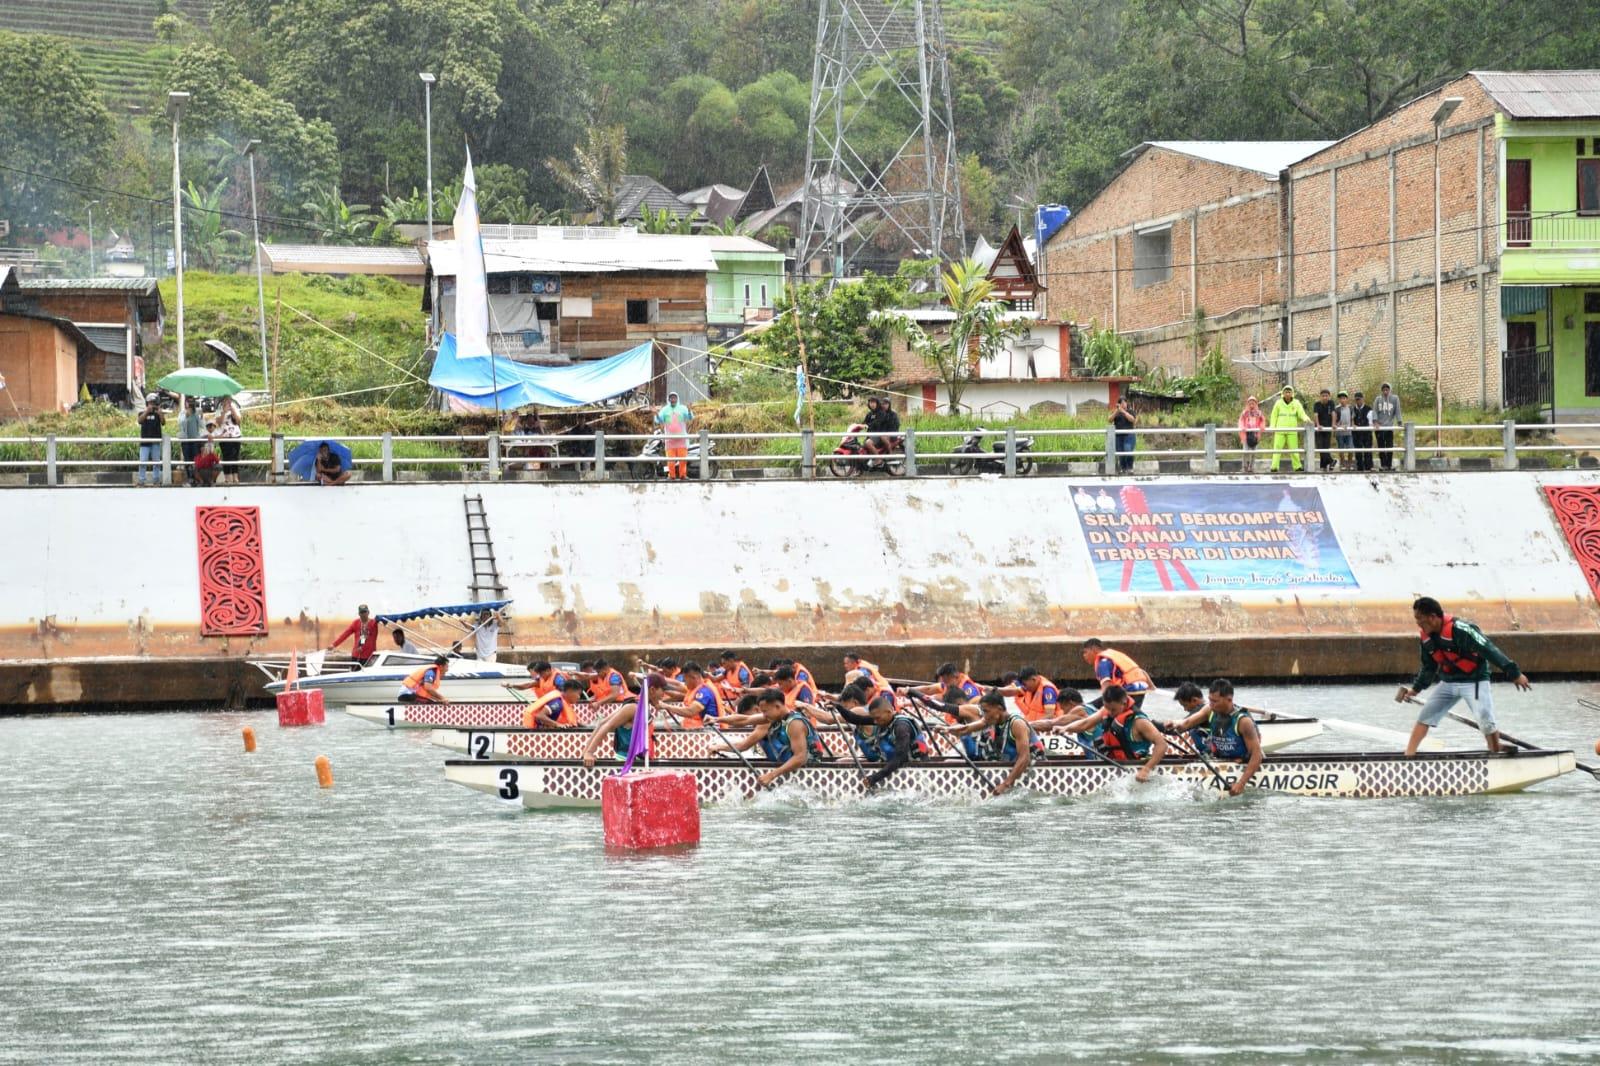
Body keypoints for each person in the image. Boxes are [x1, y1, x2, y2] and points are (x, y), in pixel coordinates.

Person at [1395, 596, 1531, 757]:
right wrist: (1415, 690)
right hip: (1448, 683)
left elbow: (1489, 649)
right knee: (1425, 716)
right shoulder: (1426, 638)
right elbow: (1428, 667)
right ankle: (1408, 755)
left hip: (1475, 681)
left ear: (1433, 617)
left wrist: (1514, 673)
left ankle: (1495, 750)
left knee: (1485, 718)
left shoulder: (1462, 629)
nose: (1418, 624)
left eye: (1420, 619)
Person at [1163, 679, 1262, 795]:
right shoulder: (1210, 710)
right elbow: (1186, 723)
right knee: (1195, 732)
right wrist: (1173, 724)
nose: (1210, 704)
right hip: (1220, 759)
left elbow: (1257, 755)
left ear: (1229, 699)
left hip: (1242, 762)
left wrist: (1241, 783)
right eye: (1210, 700)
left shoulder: (1244, 721)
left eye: (1215, 701)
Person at [721, 688, 829, 788]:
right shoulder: (774, 716)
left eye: (765, 711)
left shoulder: (795, 723)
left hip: (810, 772)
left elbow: (800, 758)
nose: (763, 715)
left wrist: (771, 775)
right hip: (790, 764)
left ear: (777, 706)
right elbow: (745, 720)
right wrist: (717, 719)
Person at [1061, 685, 1168, 782]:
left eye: (1113, 709)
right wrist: (1065, 728)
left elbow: (1162, 745)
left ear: (1124, 703)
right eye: (1107, 708)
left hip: (1134, 769)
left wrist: (1146, 769)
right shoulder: (1107, 710)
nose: (1110, 713)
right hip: (1113, 766)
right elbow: (1085, 723)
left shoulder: (1139, 721)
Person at [944, 691, 1042, 796]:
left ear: (999, 709)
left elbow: (1025, 758)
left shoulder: (1017, 724)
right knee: (949, 761)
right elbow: (966, 729)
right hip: (1007, 765)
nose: (984, 716)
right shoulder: (991, 720)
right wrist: (947, 729)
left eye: (986, 711)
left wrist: (1005, 784)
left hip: (1034, 772)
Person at [833, 692, 931, 788]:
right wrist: (838, 707)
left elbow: (900, 758)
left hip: (918, 773)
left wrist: (875, 778)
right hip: (898, 769)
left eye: (877, 718)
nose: (875, 722)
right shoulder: (882, 719)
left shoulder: (902, 727)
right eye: (873, 719)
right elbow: (855, 719)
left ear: (889, 712)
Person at [1081, 638, 1153, 708]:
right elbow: (1142, 671)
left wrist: (1105, 706)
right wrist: (1151, 687)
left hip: (1126, 693)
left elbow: (1106, 685)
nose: (1084, 656)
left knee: (1088, 708)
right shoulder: (1116, 655)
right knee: (1129, 715)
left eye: (1085, 652)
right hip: (1141, 691)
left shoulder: (1103, 663)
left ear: (1094, 649)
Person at [581, 700, 655, 768]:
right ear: (653, 690)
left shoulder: (634, 707)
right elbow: (603, 725)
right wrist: (589, 753)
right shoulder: (632, 708)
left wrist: (585, 753)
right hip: (627, 760)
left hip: (631, 758)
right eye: (663, 691)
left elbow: (601, 723)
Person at [654, 661, 724, 730]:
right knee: (660, 724)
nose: (684, 682)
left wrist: (666, 706)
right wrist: (658, 681)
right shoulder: (694, 688)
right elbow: (678, 684)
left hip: (708, 730)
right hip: (694, 727)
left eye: (685, 679)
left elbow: (690, 712)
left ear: (693, 677)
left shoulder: (704, 692)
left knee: (662, 727)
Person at [1266, 385, 1311, 472]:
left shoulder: (1296, 403)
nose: (1287, 394)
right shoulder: (1278, 403)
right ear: (1283, 393)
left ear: (1292, 393)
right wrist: (1272, 426)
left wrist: (1307, 419)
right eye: (1286, 392)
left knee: (1294, 449)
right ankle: (1274, 467)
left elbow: (1302, 414)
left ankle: (1297, 467)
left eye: (1289, 392)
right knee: (1277, 449)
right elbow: (1274, 416)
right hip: (1280, 430)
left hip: (1292, 430)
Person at [655, 390, 692, 480]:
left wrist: (690, 410)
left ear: (677, 398)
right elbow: (659, 420)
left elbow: (690, 418)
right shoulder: (665, 410)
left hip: (681, 439)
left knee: (682, 459)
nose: (673, 399)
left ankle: (683, 475)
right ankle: (671, 476)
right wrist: (656, 413)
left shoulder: (683, 408)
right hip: (669, 439)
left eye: (674, 397)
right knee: (670, 460)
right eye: (671, 397)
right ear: (669, 399)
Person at [1373, 382, 1402, 471]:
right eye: (1384, 390)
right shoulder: (1378, 399)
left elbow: (1397, 410)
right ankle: (1383, 464)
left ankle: (1389, 465)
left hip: (1389, 427)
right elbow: (1375, 411)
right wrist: (1375, 422)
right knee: (1381, 446)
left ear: (1390, 390)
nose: (1385, 392)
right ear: (1382, 391)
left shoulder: (1395, 399)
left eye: (1387, 390)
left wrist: (1399, 421)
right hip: (1380, 427)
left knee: (1389, 446)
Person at [137, 394, 163, 486]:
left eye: (153, 403)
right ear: (147, 403)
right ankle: (141, 481)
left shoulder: (158, 413)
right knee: (142, 462)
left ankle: (156, 480)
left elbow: (163, 423)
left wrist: (160, 413)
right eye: (150, 403)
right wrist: (147, 412)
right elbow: (139, 421)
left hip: (156, 441)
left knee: (156, 462)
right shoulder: (142, 412)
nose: (152, 405)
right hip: (145, 442)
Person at [1237, 396, 1265, 472]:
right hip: (1246, 435)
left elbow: (1262, 421)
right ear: (1247, 404)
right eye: (1250, 403)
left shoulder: (1259, 413)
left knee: (1254, 452)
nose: (1251, 405)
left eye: (1253, 403)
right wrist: (1242, 427)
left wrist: (1262, 427)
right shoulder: (1244, 413)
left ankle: (1251, 467)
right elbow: (1241, 421)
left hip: (1255, 435)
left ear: (1256, 404)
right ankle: (1244, 466)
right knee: (1245, 451)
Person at [178, 399, 203, 486]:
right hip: (185, 440)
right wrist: (186, 416)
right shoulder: (182, 413)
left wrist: (201, 416)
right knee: (187, 460)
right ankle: (190, 478)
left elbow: (202, 425)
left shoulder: (196, 414)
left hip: (195, 441)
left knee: (196, 460)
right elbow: (181, 424)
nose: (189, 405)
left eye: (192, 403)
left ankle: (196, 478)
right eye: (188, 402)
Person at [1311, 388, 1336, 472]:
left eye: (1326, 396)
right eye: (1323, 396)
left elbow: (1333, 413)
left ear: (1329, 396)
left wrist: (1333, 424)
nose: (1325, 397)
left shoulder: (1331, 403)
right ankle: (1332, 461)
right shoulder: (1316, 404)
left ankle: (1324, 466)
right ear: (1320, 397)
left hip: (1327, 428)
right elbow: (1315, 415)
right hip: (1319, 429)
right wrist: (1318, 425)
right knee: (1320, 447)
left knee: (1326, 447)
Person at [1110, 397, 1137, 473]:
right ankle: (1123, 468)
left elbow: (1132, 419)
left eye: (1124, 403)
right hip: (1119, 435)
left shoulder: (1130, 411)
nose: (1123, 404)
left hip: (1129, 435)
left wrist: (1124, 412)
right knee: (1120, 452)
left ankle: (1130, 467)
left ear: (1126, 403)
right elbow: (1109, 420)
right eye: (1121, 403)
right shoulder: (1116, 412)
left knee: (1128, 449)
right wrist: (1116, 411)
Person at [217, 409, 243, 484]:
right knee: (226, 457)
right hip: (224, 436)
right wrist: (224, 411)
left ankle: (235, 477)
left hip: (236, 435)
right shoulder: (219, 409)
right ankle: (228, 478)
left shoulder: (234, 409)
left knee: (235, 456)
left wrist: (232, 410)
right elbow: (219, 423)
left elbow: (238, 421)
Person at [1351, 391, 1374, 472]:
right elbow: (1352, 419)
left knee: (1368, 450)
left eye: (1359, 399)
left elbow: (1371, 422)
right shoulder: (1353, 409)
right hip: (1356, 434)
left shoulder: (1369, 409)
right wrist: (1353, 425)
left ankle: (1368, 467)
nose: (1358, 401)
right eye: (1356, 400)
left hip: (1366, 433)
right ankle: (1359, 467)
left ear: (1363, 399)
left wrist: (1368, 428)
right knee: (1358, 451)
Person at [1333, 390, 1354, 470]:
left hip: (1349, 433)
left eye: (1344, 398)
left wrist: (1353, 425)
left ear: (1347, 399)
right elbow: (1335, 422)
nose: (1342, 400)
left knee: (1351, 448)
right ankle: (1342, 464)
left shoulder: (1351, 408)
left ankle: (1350, 464)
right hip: (1340, 433)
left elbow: (1352, 419)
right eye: (1341, 398)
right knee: (1341, 449)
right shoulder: (1336, 409)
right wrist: (1340, 426)